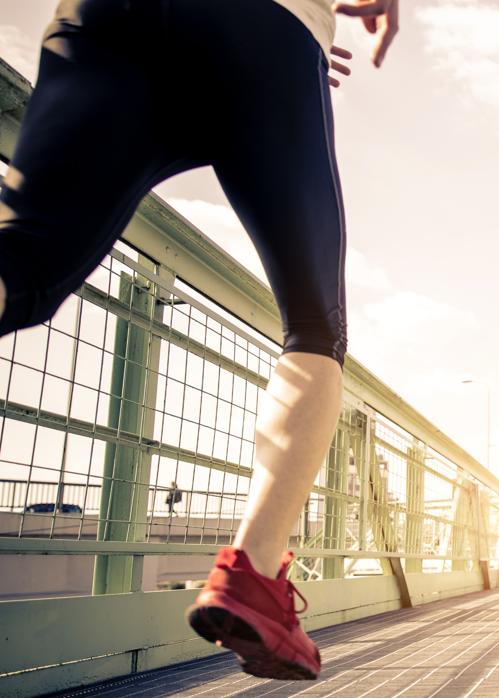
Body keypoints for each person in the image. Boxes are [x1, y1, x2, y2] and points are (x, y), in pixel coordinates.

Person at [0, 0, 399, 681]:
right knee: (313, 323)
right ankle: (255, 573)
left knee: (25, 267)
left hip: (108, 20)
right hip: (265, 28)